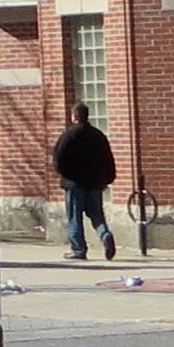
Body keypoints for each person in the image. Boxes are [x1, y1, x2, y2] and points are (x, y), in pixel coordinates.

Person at [53, 102, 117, 261]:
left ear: (74, 116)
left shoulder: (69, 135)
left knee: (75, 217)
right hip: (95, 183)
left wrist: (65, 175)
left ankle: (79, 249)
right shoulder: (98, 135)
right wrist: (107, 178)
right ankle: (105, 234)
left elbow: (58, 158)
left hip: (75, 183)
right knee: (96, 215)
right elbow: (108, 159)